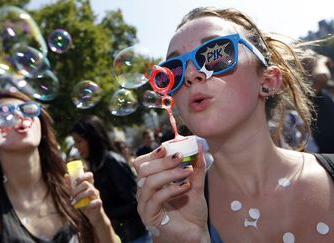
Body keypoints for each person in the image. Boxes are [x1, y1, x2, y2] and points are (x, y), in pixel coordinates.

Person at [134, 7, 334, 243]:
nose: (190, 75)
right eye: (173, 71)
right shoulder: (178, 212)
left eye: (215, 54)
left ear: (268, 81)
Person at [0, 91, 119, 243]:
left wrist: (98, 218)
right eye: (4, 113)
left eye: (27, 109)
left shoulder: (71, 188)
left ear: (41, 125)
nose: (19, 115)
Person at [70, 115, 151, 243]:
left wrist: (102, 212)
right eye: (75, 142)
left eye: (79, 141)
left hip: (136, 235)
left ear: (92, 139)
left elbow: (135, 202)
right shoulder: (95, 165)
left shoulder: (112, 161)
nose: (76, 146)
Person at [304, 53, 334, 153]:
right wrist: (321, 61)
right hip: (327, 150)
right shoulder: (308, 91)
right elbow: (323, 75)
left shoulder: (320, 90)